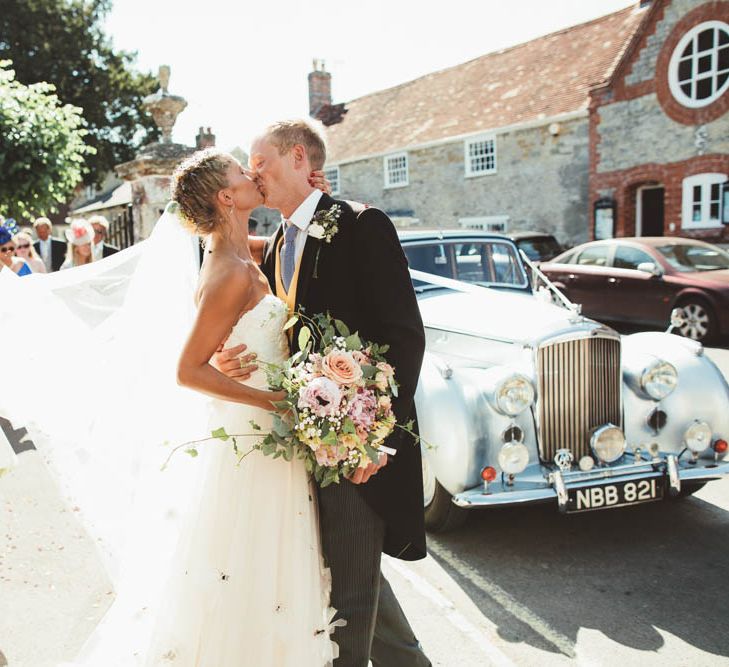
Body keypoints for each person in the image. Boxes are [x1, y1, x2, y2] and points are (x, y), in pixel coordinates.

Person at [219, 119, 430, 667]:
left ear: (295, 158)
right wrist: (230, 355)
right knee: (341, 569)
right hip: (300, 440)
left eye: (257, 161)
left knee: (352, 596)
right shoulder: (277, 246)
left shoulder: (362, 225)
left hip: (355, 446)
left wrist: (375, 437)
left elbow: (404, 337)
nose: (250, 173)